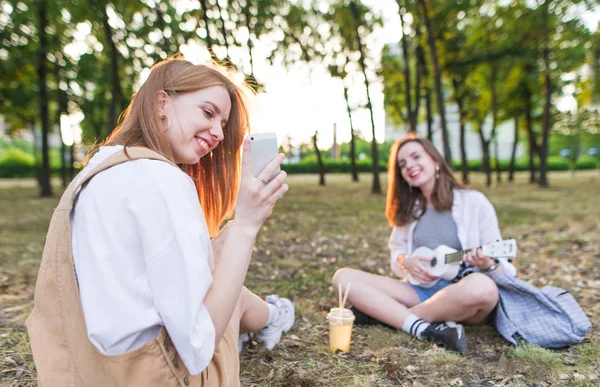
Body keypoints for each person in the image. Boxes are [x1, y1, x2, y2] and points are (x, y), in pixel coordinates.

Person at [26, 57, 295, 386]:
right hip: (154, 377)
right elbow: (197, 348)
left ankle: (271, 315)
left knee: (217, 265)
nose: (219, 134)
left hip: (88, 372)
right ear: (161, 102)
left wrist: (227, 237)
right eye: (208, 113)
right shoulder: (163, 180)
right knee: (232, 292)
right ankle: (275, 316)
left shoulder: (101, 167)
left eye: (223, 124)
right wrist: (245, 226)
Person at [331, 134, 516, 354]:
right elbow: (397, 250)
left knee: (483, 287)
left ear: (435, 161)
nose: (410, 165)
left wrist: (486, 264)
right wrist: (404, 261)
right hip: (419, 289)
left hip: (462, 295)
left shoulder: (473, 201)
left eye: (416, 157)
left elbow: (501, 263)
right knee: (343, 278)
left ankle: (388, 315)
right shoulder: (411, 209)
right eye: (403, 164)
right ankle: (421, 328)